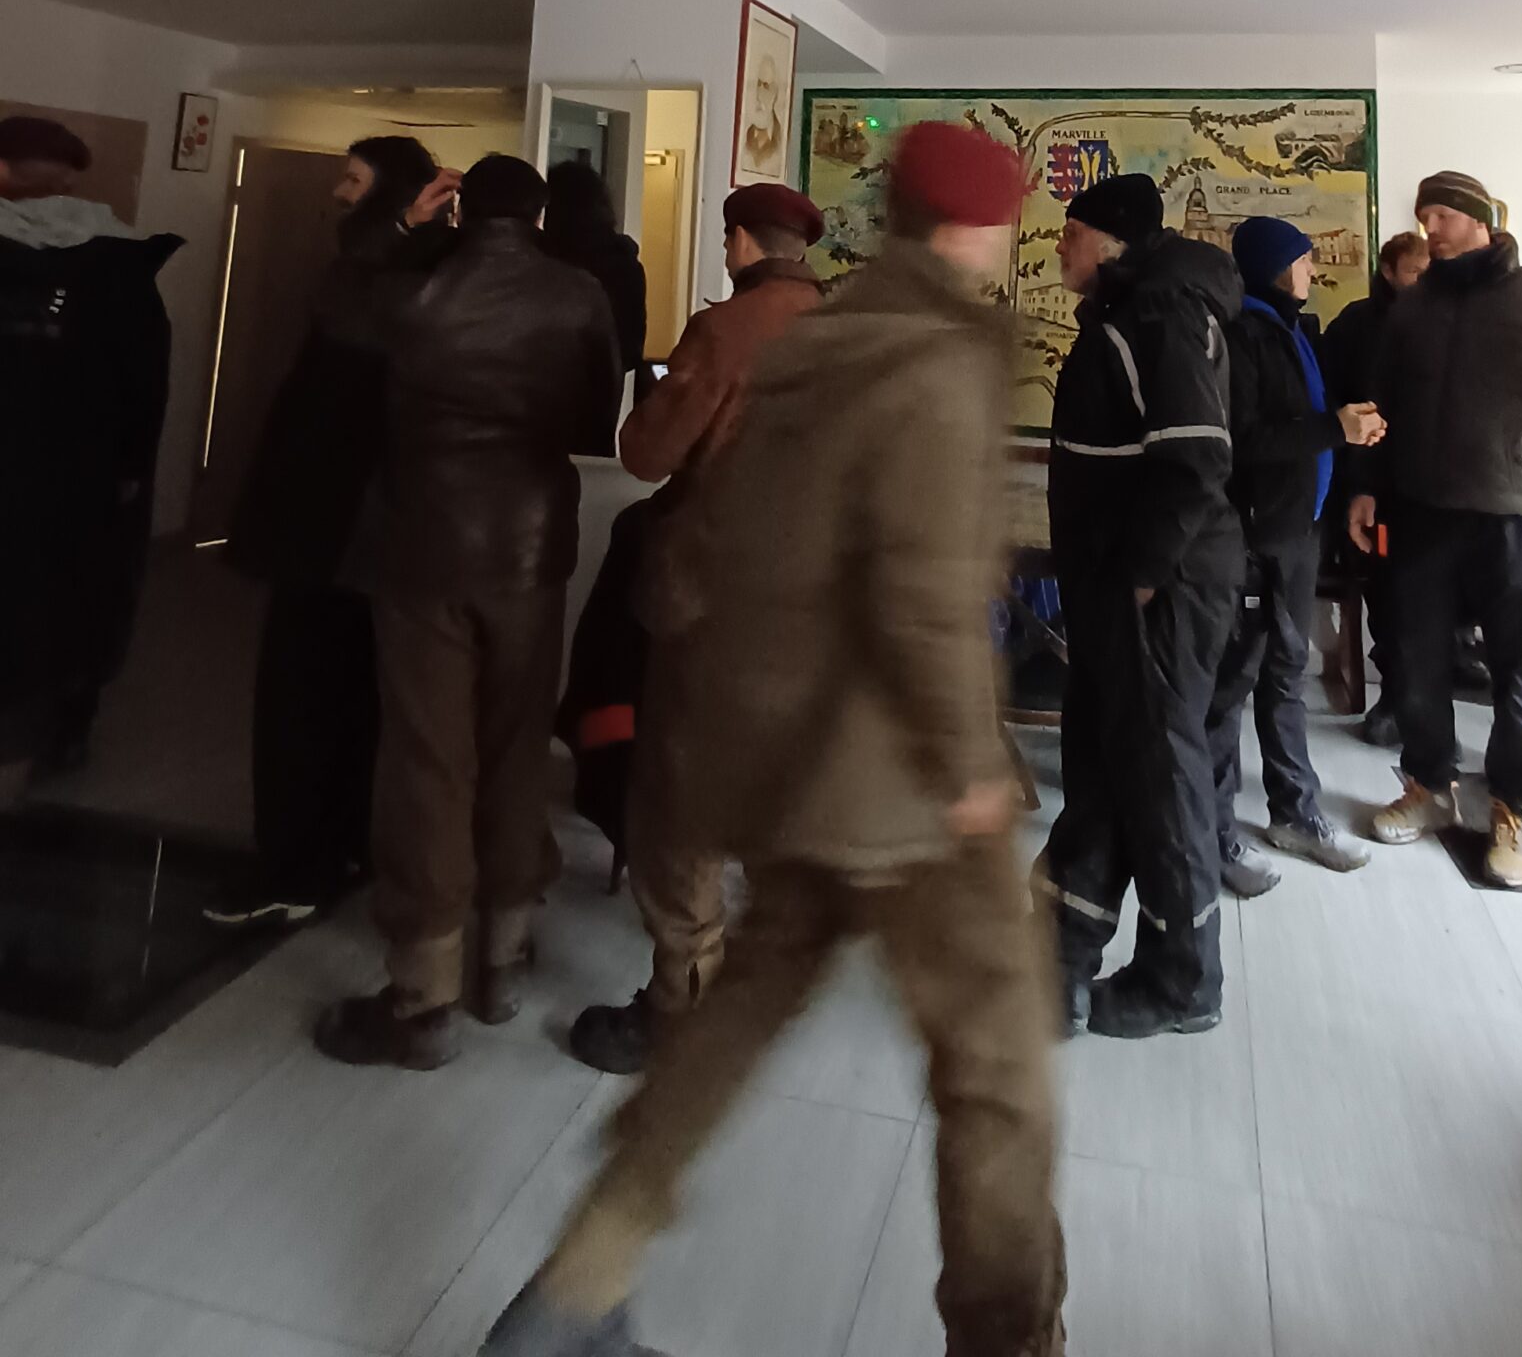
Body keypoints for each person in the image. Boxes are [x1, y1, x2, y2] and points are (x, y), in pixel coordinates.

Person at [481, 122, 1063, 1357]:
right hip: (907, 791)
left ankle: (575, 1286)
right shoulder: (942, 361)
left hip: (792, 765)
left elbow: (716, 549)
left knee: (735, 1017)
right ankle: (1010, 1339)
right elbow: (921, 598)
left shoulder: (810, 347)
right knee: (999, 1080)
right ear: (979, 227)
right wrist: (971, 768)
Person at [316, 155, 623, 1069]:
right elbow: (596, 416)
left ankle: (422, 998)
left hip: (422, 544)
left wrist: (400, 225)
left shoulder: (417, 287)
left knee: (427, 760)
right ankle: (504, 961)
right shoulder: (578, 294)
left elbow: (335, 305)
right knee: (516, 747)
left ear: (461, 208)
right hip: (528, 547)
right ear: (538, 214)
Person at [567, 179, 825, 1074]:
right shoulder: (845, 332)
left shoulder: (726, 331)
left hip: (714, 602)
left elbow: (646, 454)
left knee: (678, 806)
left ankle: (684, 1002)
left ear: (743, 242)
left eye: (727, 240)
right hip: (810, 604)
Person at [1351, 171, 1522, 889]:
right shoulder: (1413, 306)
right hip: (1421, 509)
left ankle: (1515, 810)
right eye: (1424, 216)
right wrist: (1367, 487)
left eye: (1443, 215)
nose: (1431, 228)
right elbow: (1381, 404)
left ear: (1480, 220)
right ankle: (1428, 787)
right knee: (1416, 659)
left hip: (1517, 513)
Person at [209, 134, 439, 926]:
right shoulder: (414, 269)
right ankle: (341, 848)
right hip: (370, 527)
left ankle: (292, 866)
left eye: (353, 181)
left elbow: (343, 310)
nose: (338, 194)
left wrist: (396, 230)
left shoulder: (385, 277)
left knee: (300, 696)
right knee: (351, 694)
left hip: (332, 522)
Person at [1035, 171, 1244, 1040]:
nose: (1059, 245)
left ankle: (1182, 980)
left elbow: (1196, 457)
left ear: (1111, 240)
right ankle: (1062, 953)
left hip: (1160, 586)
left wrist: (1144, 575)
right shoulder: (1130, 311)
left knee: (1159, 777)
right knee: (1109, 763)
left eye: (1071, 231)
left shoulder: (1158, 316)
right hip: (1122, 582)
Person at [0, 116, 180, 792]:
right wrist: (132, 463)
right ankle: (63, 729)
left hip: (36, 459)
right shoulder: (119, 261)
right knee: (75, 591)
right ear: (71, 179)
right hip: (82, 465)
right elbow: (145, 377)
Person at [1205, 217, 1382, 895]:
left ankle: (1294, 813)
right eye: (1303, 259)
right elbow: (1243, 442)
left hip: (1297, 533)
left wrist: (1344, 426)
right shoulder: (1240, 333)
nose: (1313, 269)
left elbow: (1303, 423)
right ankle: (1214, 832)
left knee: (1285, 674)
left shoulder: (1292, 328)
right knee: (1231, 682)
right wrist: (1334, 427)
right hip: (1254, 540)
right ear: (1275, 265)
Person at [1318, 228, 1429, 745]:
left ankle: (1423, 704)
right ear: (1388, 271)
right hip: (1375, 483)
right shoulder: (1357, 324)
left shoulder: (1445, 317)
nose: (1423, 280)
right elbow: (1335, 404)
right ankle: (1397, 699)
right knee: (1388, 593)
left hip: (1435, 483)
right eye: (1413, 271)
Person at [542, 161, 649, 380]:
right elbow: (631, 347)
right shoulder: (624, 263)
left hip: (547, 382)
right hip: (602, 386)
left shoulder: (549, 261)